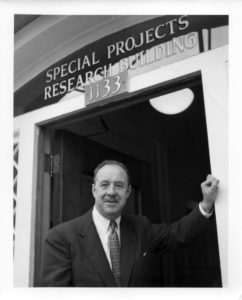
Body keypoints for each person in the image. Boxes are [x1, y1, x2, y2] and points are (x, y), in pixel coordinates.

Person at [40, 159, 219, 287]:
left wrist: (206, 204)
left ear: (128, 192)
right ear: (94, 190)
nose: (111, 192)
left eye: (119, 185)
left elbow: (177, 234)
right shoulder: (61, 237)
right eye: (104, 185)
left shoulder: (141, 227)